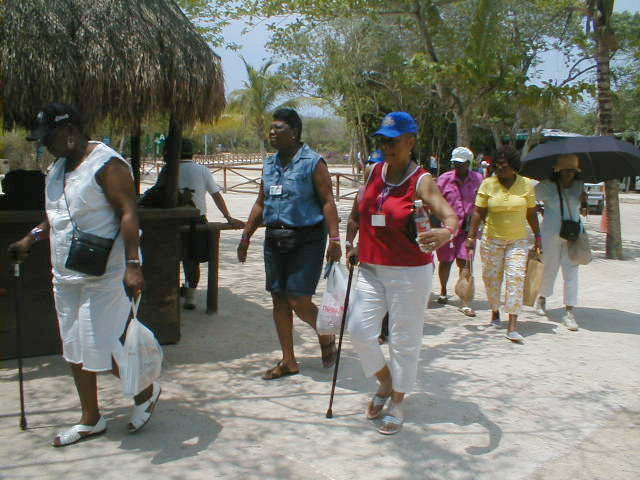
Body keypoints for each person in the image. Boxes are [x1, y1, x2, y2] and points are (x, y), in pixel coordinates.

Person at [8, 103, 159, 446]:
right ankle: (91, 418)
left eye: (49, 138)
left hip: (107, 273)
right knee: (74, 347)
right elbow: (57, 215)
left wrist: (133, 265)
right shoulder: (57, 168)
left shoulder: (108, 165)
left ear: (70, 133)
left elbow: (128, 212)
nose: (45, 145)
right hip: (66, 274)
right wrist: (31, 237)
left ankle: (146, 392)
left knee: (102, 344)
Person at [346, 112, 458, 435]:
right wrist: (350, 242)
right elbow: (360, 212)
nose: (387, 147)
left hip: (409, 272)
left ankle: (397, 400)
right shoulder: (372, 171)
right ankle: (385, 381)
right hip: (370, 267)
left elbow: (450, 216)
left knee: (404, 339)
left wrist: (446, 232)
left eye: (393, 141)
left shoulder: (422, 181)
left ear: (411, 141)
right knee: (358, 330)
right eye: (382, 141)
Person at [236, 108, 341, 379]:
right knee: (279, 299)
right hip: (275, 239)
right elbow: (261, 203)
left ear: (294, 132)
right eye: (271, 128)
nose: (272, 132)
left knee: (298, 299)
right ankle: (289, 361)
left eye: (279, 128)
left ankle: (325, 332)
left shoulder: (313, 162)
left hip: (307, 239)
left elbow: (328, 201)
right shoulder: (269, 164)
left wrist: (335, 239)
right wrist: (246, 236)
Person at [466, 145, 542, 343]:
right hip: (492, 240)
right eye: (497, 165)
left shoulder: (526, 185)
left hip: (517, 241)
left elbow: (531, 213)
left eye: (504, 165)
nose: (500, 169)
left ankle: (512, 325)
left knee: (516, 278)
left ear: (514, 167)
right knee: (492, 279)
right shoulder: (488, 184)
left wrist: (538, 237)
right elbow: (478, 212)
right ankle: (494, 311)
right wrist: (471, 237)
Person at [156, 139, 244, 310]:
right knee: (192, 259)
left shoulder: (168, 170)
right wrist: (228, 216)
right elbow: (216, 195)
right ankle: (190, 295)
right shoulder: (202, 170)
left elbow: (157, 192)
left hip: (173, 219)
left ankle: (171, 292)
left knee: (172, 258)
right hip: (197, 220)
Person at [534, 154, 586, 331]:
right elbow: (530, 200)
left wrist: (584, 202)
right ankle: (542, 298)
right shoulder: (546, 186)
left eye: (572, 170)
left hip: (572, 235)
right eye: (565, 170)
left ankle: (569, 312)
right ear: (558, 171)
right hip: (550, 234)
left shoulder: (579, 186)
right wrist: (540, 209)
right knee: (549, 268)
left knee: (571, 271)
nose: (569, 174)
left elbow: (581, 209)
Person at [435, 146, 483, 316]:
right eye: (455, 163)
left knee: (465, 263)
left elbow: (483, 203)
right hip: (447, 229)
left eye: (461, 163)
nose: (457, 166)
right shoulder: (444, 179)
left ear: (469, 163)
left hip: (468, 230)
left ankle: (464, 301)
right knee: (445, 261)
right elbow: (436, 202)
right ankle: (443, 290)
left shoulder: (478, 179)